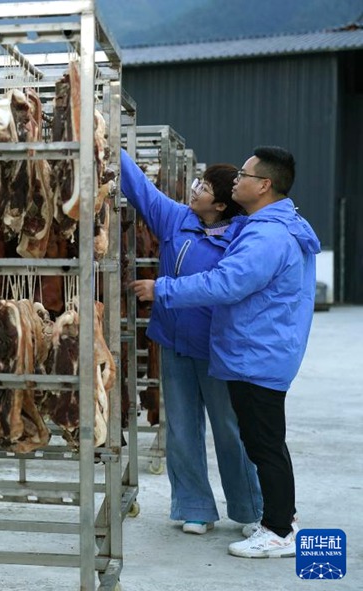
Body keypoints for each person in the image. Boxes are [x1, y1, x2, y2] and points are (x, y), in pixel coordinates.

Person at [131, 146, 320, 558]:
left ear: (264, 185)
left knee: (258, 442)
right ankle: (262, 517)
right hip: (245, 349)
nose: (238, 180)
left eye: (245, 176)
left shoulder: (265, 234)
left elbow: (226, 283)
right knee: (256, 439)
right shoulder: (259, 225)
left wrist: (162, 289)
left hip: (256, 353)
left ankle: (276, 527)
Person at [120, 148, 262, 536]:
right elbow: (141, 190)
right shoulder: (176, 220)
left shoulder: (242, 237)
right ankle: (195, 506)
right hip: (175, 344)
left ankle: (250, 510)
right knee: (182, 430)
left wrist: (162, 289)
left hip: (219, 349)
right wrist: (105, 137)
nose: (193, 189)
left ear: (219, 204)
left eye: (202, 187)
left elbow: (224, 288)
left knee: (230, 430)